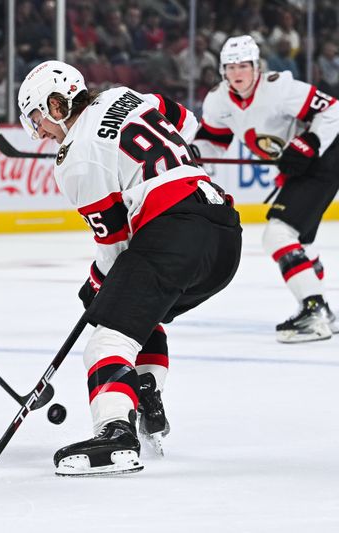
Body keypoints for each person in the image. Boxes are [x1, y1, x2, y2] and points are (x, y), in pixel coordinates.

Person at [17, 60, 242, 476]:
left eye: (37, 119)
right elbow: (185, 122)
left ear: (56, 103)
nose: (40, 133)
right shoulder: (124, 95)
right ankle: (147, 395)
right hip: (224, 234)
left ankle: (116, 433)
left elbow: (115, 244)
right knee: (140, 315)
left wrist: (98, 284)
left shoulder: (76, 158)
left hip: (174, 231)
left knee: (105, 341)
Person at [192, 35, 339, 343]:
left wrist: (309, 141)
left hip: (328, 155)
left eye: (243, 65)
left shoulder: (279, 88)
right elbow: (213, 140)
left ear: (256, 67)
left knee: (278, 234)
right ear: (221, 70)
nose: (237, 73)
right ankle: (320, 307)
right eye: (230, 67)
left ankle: (316, 310)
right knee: (300, 243)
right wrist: (192, 155)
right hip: (302, 168)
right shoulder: (219, 100)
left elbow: (333, 110)